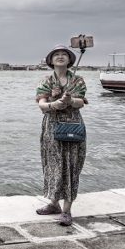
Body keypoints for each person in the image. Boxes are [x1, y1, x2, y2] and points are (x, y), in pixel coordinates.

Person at [35, 44, 88, 226]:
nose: (60, 56)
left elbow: (81, 102)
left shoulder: (78, 80)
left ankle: (67, 211)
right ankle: (53, 203)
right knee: (53, 165)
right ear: (50, 60)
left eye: (64, 54)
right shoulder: (46, 80)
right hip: (52, 127)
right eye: (56, 54)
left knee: (71, 167)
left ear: (70, 59)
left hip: (73, 126)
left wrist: (70, 100)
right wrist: (53, 104)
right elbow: (41, 103)